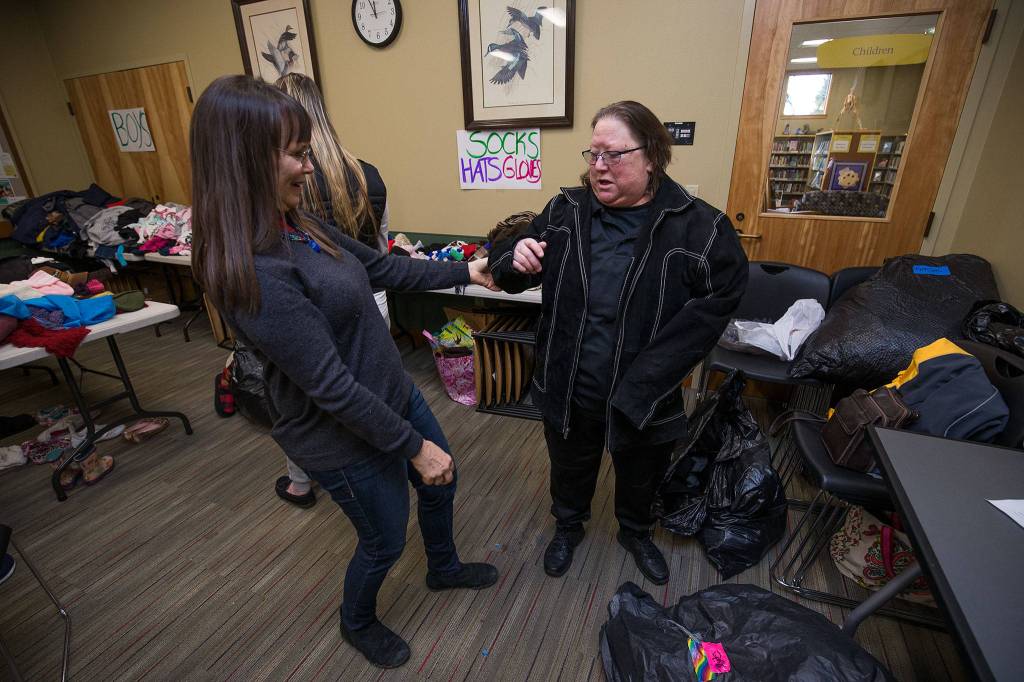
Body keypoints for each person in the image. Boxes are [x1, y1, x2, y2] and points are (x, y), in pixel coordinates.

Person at [190, 75, 499, 669]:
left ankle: (443, 568)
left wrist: (467, 274)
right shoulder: (252, 270)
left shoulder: (297, 225)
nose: (309, 169)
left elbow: (383, 270)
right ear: (246, 158)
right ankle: (356, 620)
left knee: (444, 480)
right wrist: (413, 448)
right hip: (338, 433)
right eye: (297, 154)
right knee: (383, 539)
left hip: (390, 393)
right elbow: (329, 386)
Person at [489, 101, 748, 585]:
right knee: (570, 463)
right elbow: (507, 273)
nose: (599, 167)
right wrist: (513, 254)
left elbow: (723, 296)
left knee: (641, 470)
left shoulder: (698, 226)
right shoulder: (564, 211)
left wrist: (655, 372)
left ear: (651, 156)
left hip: (643, 390)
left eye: (613, 155)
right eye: (593, 155)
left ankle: (636, 532)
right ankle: (568, 525)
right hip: (570, 381)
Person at [271, 72, 391, 508]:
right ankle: (381, 468)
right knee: (373, 393)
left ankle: (302, 483)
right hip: (372, 299)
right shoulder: (367, 175)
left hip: (309, 311)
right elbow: (380, 247)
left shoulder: (283, 188)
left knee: (309, 400)